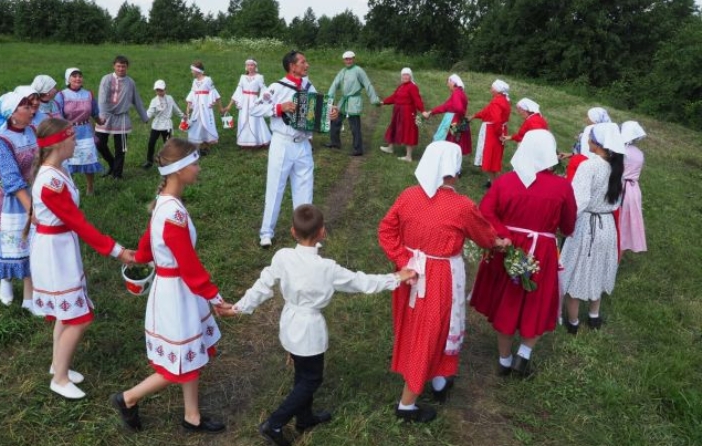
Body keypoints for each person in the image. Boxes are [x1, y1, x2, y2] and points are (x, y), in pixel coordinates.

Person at [225, 204, 416, 446]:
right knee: (312, 379)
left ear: (293, 231)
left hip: (289, 323)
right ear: (322, 232)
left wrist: (238, 307)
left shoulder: (283, 256)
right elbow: (361, 282)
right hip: (309, 331)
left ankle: (304, 417)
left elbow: (262, 285)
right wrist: (397, 277)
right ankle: (274, 423)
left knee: (302, 373)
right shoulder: (327, 269)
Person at [110, 138, 232, 433]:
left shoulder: (165, 202)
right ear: (178, 170)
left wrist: (139, 256)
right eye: (194, 163)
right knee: (177, 364)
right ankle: (128, 398)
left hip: (177, 289)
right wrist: (216, 298)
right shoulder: (173, 213)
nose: (198, 168)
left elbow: (149, 240)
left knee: (189, 353)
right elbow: (189, 265)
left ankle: (192, 416)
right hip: (176, 293)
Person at [378, 141, 503, 423]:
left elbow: (386, 230)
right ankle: (407, 404)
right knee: (433, 331)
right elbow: (485, 236)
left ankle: (439, 378)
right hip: (437, 278)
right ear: (454, 170)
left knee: (419, 327)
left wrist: (404, 260)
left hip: (409, 275)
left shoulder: (409, 195)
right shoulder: (461, 206)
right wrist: (499, 242)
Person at [28, 118, 134, 399]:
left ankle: (57, 365)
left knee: (67, 313)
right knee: (80, 317)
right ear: (59, 142)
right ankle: (60, 379)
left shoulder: (58, 171)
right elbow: (79, 223)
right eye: (73, 137)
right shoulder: (51, 181)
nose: (77, 141)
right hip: (54, 253)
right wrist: (117, 250)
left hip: (59, 246)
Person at [470, 130, 577, 377]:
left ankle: (504, 359)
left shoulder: (504, 181)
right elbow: (569, 226)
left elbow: (485, 211)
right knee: (536, 301)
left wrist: (504, 233)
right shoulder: (562, 187)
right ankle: (524, 355)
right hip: (542, 249)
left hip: (507, 248)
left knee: (506, 301)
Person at [250, 50, 337, 248]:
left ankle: (306, 234)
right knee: (275, 187)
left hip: (304, 145)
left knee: (305, 190)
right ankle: (266, 232)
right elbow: (254, 108)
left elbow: (318, 112)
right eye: (303, 62)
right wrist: (280, 107)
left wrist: (330, 113)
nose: (307, 65)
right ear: (292, 66)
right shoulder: (276, 87)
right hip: (282, 143)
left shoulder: (308, 86)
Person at [559, 122, 626, 334]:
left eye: (589, 138)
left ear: (597, 144)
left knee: (576, 269)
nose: (586, 141)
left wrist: (564, 225)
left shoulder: (589, 166)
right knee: (599, 267)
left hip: (587, 225)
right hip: (607, 225)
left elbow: (578, 202)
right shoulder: (617, 166)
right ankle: (594, 316)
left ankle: (573, 320)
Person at [0, 88, 39, 309]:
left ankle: (29, 298)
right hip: (12, 199)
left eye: (31, 105)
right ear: (12, 114)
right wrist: (30, 210)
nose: (32, 110)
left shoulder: (33, 131)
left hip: (33, 190)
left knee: (31, 245)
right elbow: (11, 179)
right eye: (26, 107)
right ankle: (5, 280)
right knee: (10, 244)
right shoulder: (1, 141)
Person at [95, 55, 149, 180]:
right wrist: (100, 116)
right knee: (98, 143)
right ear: (114, 66)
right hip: (106, 116)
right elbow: (102, 99)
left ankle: (117, 174)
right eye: (118, 66)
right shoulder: (106, 79)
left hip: (122, 118)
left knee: (121, 148)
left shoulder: (130, 82)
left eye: (123, 66)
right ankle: (112, 163)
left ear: (127, 67)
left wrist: (144, 117)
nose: (121, 69)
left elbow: (137, 100)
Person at [56, 67, 104, 196]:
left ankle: (90, 187)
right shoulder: (61, 95)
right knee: (68, 160)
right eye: (74, 76)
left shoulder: (88, 94)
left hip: (86, 131)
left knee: (89, 159)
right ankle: (70, 188)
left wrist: (100, 121)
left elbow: (95, 111)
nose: (78, 78)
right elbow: (57, 115)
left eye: (80, 76)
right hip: (68, 132)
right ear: (68, 79)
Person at [323, 51, 380, 156]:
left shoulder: (358, 71)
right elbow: (334, 84)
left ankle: (358, 149)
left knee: (355, 126)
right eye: (346, 59)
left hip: (354, 102)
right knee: (335, 120)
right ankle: (335, 143)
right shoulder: (343, 71)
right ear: (344, 60)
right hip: (344, 102)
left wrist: (374, 99)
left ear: (353, 59)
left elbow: (367, 84)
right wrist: (329, 99)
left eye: (350, 59)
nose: (348, 61)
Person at [223, 59, 272, 149]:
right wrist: (229, 106)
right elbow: (237, 91)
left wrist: (261, 101)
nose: (250, 67)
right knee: (243, 119)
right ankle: (244, 141)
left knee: (255, 119)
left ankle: (257, 140)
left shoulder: (259, 77)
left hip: (254, 101)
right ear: (246, 66)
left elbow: (264, 89)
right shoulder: (242, 77)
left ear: (255, 66)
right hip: (244, 102)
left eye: (252, 65)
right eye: (248, 65)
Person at [379, 68, 425, 162]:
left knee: (409, 131)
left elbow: (417, 100)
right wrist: (383, 102)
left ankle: (408, 156)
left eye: (407, 75)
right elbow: (394, 97)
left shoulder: (412, 87)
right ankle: (390, 148)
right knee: (394, 127)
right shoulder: (401, 86)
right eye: (403, 75)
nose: (405, 76)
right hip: (398, 112)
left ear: (410, 76)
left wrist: (422, 110)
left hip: (408, 113)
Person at [472, 79, 511, 187]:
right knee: (494, 158)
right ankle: (494, 182)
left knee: (490, 159)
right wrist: (474, 116)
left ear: (497, 90)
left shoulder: (497, 101)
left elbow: (496, 120)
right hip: (498, 130)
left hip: (492, 132)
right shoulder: (503, 100)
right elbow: (487, 111)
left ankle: (495, 184)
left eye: (492, 87)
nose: (490, 89)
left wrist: (499, 134)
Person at [423, 74, 472, 156]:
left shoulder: (456, 93)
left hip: (454, 121)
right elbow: (446, 107)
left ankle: (439, 162)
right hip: (459, 120)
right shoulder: (461, 93)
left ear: (453, 82)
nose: (447, 85)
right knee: (455, 144)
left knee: (447, 142)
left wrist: (458, 121)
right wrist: (431, 112)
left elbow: (458, 108)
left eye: (448, 82)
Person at [618, 121, 647, 254]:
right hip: (634, 189)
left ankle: (614, 256)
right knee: (626, 223)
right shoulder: (639, 153)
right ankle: (620, 253)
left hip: (622, 188)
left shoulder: (622, 151)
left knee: (619, 221)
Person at [561, 107, 611, 182]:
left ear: (594, 119)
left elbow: (584, 151)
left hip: (583, 168)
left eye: (588, 117)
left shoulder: (590, 130)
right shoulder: (607, 131)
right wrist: (571, 154)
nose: (586, 119)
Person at [143, 79, 185, 169]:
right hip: (156, 126)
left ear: (165, 89)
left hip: (167, 126)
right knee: (151, 143)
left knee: (168, 144)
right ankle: (149, 161)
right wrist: (145, 117)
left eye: (161, 90)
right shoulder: (154, 101)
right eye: (157, 90)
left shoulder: (169, 98)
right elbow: (150, 112)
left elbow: (175, 109)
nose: (159, 92)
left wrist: (183, 116)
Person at [185, 61, 222, 154]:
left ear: (198, 71)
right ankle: (198, 142)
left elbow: (214, 93)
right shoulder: (194, 81)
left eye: (192, 70)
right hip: (197, 107)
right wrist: (188, 107)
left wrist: (220, 107)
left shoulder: (207, 80)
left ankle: (206, 144)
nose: (191, 72)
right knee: (195, 123)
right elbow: (192, 94)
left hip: (205, 106)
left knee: (206, 123)